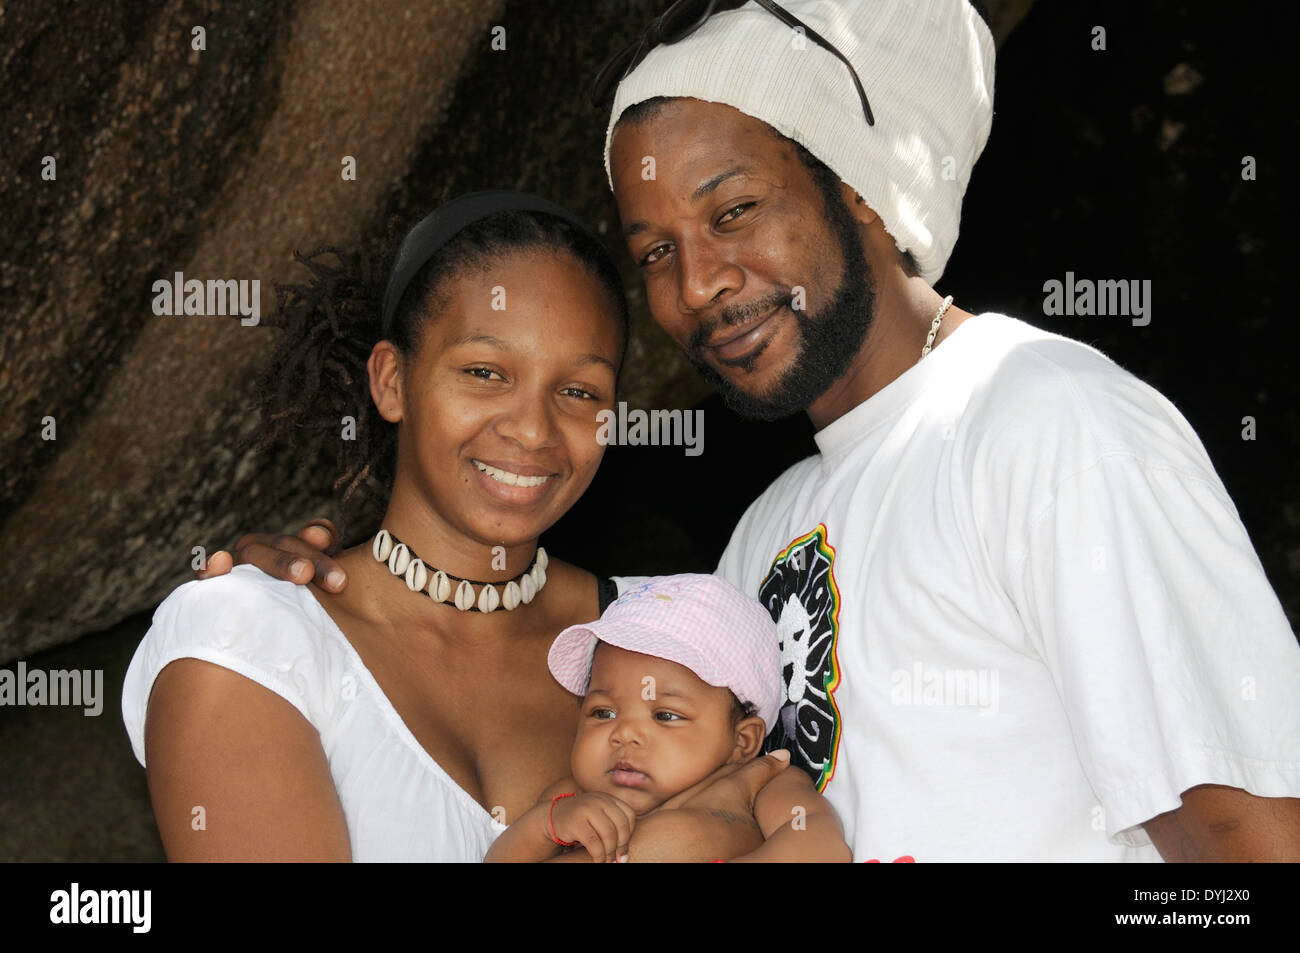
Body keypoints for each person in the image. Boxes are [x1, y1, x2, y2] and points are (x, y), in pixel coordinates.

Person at [210, 0, 1300, 861]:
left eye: (733, 211)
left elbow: (1248, 835)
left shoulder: (1045, 421)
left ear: (862, 190)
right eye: (653, 251)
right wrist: (311, 586)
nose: (698, 287)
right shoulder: (769, 528)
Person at [122, 191, 789, 862]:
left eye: (579, 391)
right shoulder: (250, 636)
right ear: (391, 380)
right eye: (483, 372)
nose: (532, 428)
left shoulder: (674, 639)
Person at [485, 574, 851, 862]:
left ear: (742, 742)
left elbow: (819, 845)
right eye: (603, 712)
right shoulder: (572, 797)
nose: (625, 732)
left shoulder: (763, 787)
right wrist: (547, 826)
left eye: (665, 715)